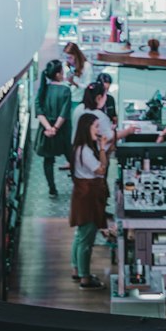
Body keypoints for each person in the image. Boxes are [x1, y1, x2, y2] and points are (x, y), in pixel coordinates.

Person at [69, 109, 109, 288]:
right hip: (89, 198)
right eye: (96, 126)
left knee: (80, 235)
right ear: (87, 128)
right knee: (87, 238)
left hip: (82, 196)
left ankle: (77, 269)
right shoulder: (86, 151)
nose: (98, 130)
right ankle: (85, 277)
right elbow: (101, 170)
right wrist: (102, 148)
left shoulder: (78, 148)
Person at [33, 58, 71, 198]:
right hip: (62, 131)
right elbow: (64, 113)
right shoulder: (65, 90)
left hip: (45, 131)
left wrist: (48, 128)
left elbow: (39, 111)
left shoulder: (43, 90)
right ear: (58, 74)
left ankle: (52, 189)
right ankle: (78, 184)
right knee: (71, 157)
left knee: (48, 160)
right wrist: (55, 128)